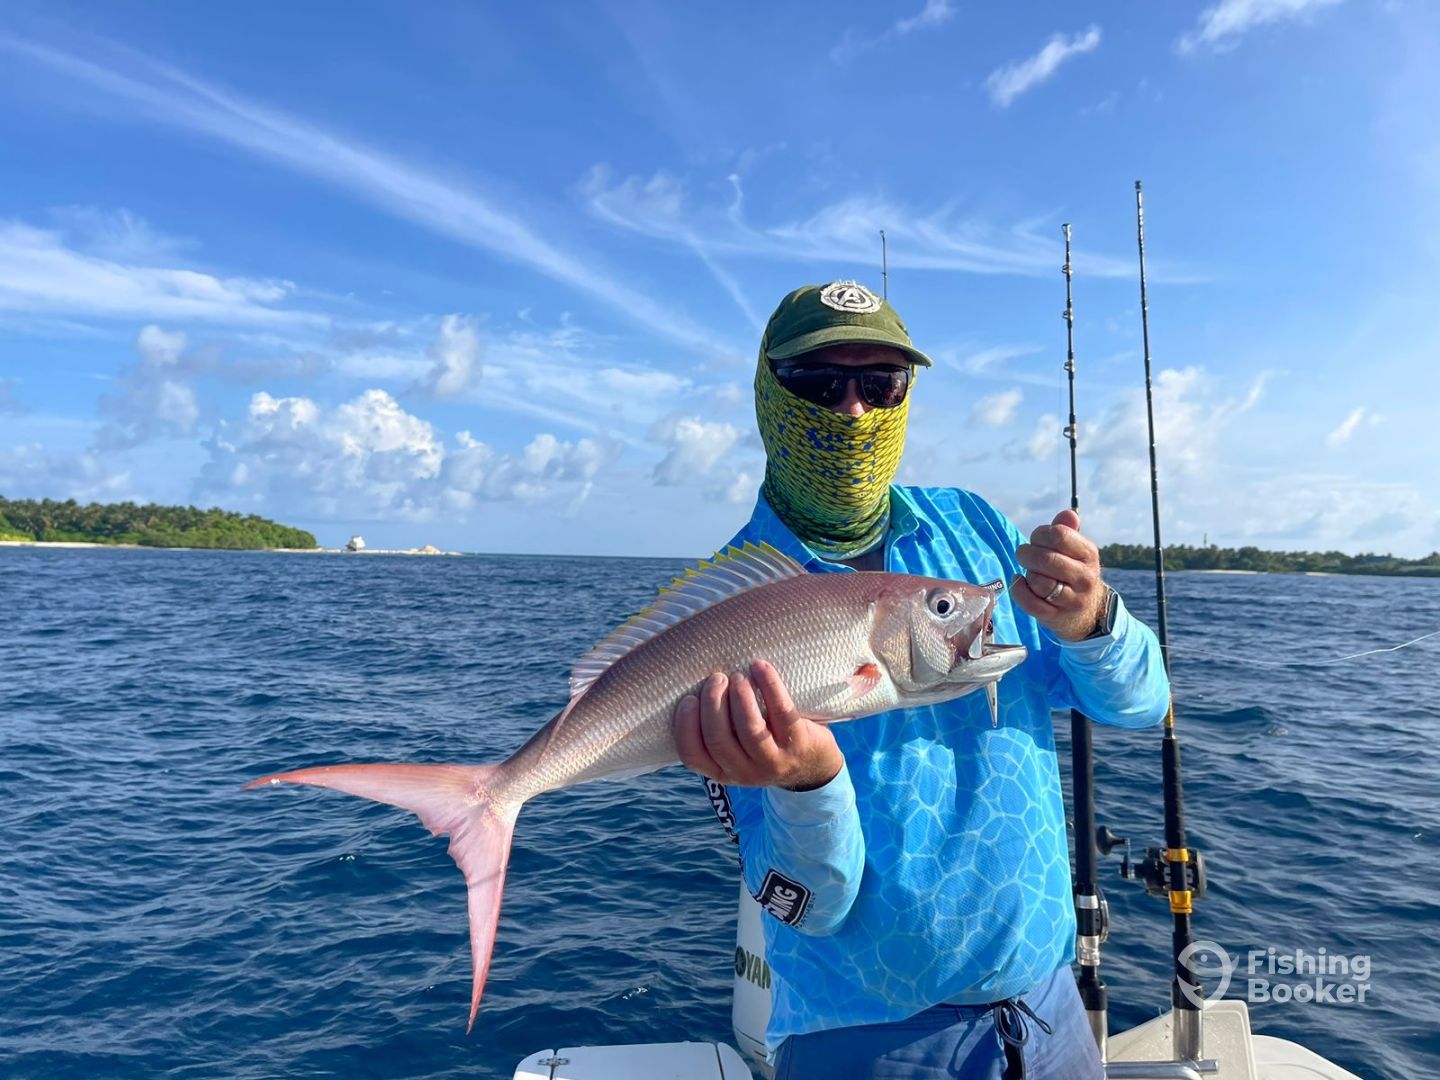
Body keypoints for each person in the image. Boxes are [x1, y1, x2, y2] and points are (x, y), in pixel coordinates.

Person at [671, 280, 1170, 1079]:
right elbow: (806, 903)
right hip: (865, 1041)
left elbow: (1142, 704)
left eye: (882, 383)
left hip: (1051, 1011)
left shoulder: (975, 529)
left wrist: (1094, 620)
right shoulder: (727, 608)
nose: (853, 410)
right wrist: (808, 783)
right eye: (818, 382)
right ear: (768, 391)